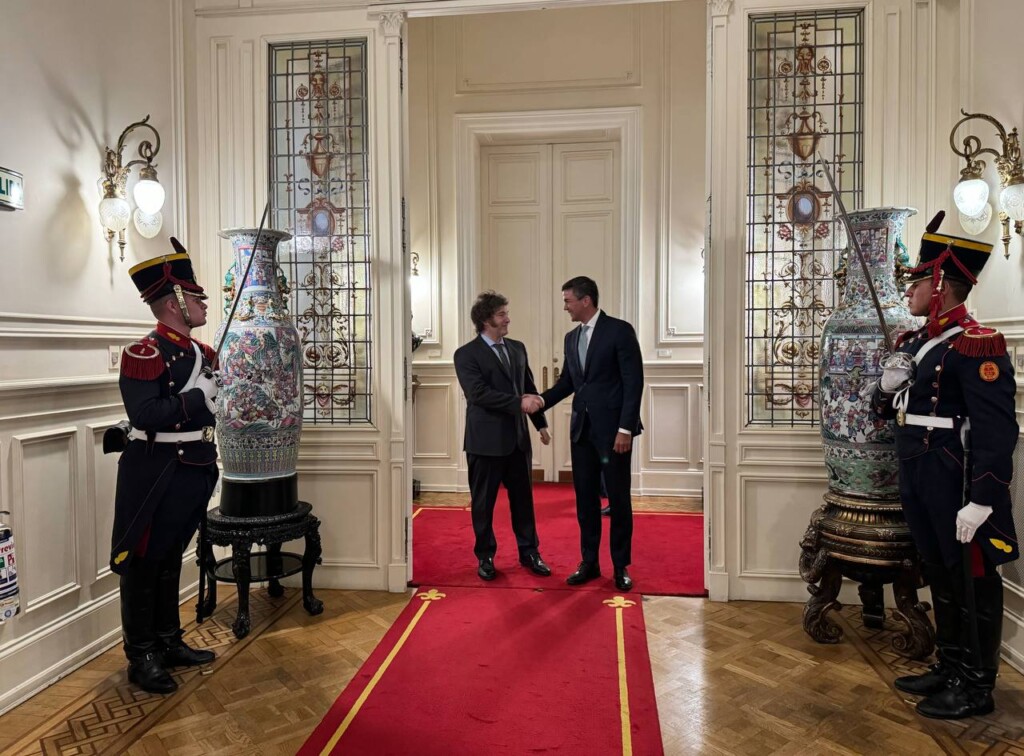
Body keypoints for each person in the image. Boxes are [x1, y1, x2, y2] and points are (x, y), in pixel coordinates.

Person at [871, 212, 1018, 720]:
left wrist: (983, 499)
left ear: (940, 287)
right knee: (939, 572)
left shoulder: (978, 343)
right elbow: (884, 410)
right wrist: (886, 386)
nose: (908, 291)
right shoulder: (914, 344)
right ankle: (951, 665)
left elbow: (997, 431)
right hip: (918, 473)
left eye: (916, 282)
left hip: (955, 476)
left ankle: (976, 684)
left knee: (971, 578)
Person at [109, 239, 220, 694]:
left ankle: (169, 640)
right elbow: (146, 415)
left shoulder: (202, 354)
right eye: (195, 297)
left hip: (194, 466)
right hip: (157, 471)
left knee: (172, 556)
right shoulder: (145, 354)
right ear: (174, 303)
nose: (202, 304)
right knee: (145, 561)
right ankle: (143, 655)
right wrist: (197, 397)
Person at [538, 276, 644, 591]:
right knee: (585, 501)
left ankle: (620, 566)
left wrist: (625, 428)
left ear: (586, 300)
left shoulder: (619, 331)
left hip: (614, 434)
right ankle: (589, 563)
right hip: (582, 433)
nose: (565, 307)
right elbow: (568, 383)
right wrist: (541, 401)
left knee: (618, 500)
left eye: (568, 301)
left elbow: (633, 382)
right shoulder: (571, 338)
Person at [453, 291, 552, 581]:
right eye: (502, 314)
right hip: (484, 443)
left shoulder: (518, 348)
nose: (508, 319)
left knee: (524, 502)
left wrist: (540, 424)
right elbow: (478, 394)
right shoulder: (466, 354)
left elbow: (528, 387)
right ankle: (485, 556)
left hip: (518, 442)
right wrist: (518, 403)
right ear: (486, 320)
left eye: (506, 313)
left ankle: (530, 553)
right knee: (483, 505)